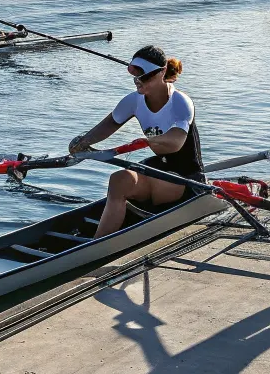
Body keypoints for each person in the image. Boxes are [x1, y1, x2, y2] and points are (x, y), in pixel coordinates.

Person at [68, 45, 205, 237]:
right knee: (118, 180)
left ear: (162, 72)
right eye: (135, 75)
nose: (137, 81)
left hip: (186, 179)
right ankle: (100, 239)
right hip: (159, 170)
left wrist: (149, 141)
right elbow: (107, 126)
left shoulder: (180, 102)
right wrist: (82, 143)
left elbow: (176, 141)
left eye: (144, 76)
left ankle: (98, 243)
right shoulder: (134, 101)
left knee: (122, 181)